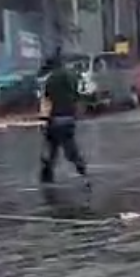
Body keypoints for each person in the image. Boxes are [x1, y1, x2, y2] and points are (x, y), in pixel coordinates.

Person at [39, 54, 89, 185]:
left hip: (55, 118)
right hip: (69, 117)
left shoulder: (50, 80)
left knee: (51, 148)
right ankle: (81, 169)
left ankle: (47, 176)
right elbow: (78, 95)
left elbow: (47, 100)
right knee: (69, 146)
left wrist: (44, 118)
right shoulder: (71, 76)